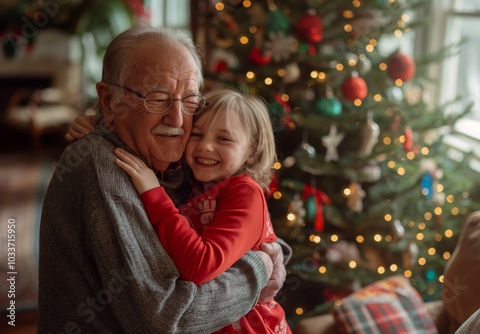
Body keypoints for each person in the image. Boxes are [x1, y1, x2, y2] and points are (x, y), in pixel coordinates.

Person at [39, 24, 287, 333]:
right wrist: (258, 269)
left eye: (190, 100)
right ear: (109, 101)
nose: (178, 119)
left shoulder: (174, 159)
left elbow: (228, 223)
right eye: (158, 98)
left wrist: (275, 251)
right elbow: (166, 318)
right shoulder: (103, 167)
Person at [70, 88, 292, 333]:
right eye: (196, 134)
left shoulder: (245, 193)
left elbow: (200, 266)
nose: (205, 146)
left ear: (252, 151)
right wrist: (99, 125)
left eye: (224, 139)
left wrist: (153, 193)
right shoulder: (195, 181)